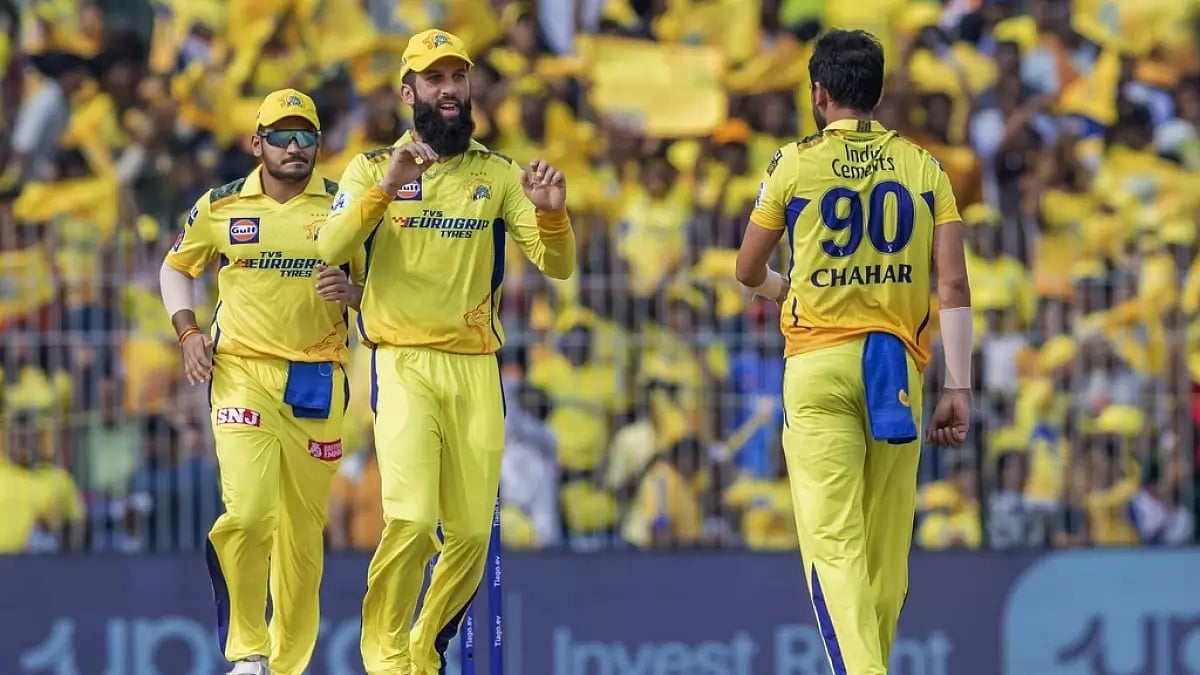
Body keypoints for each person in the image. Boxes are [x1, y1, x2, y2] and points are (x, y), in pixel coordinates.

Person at [317, 29, 575, 675]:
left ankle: (422, 651)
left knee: (468, 535)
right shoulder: (372, 167)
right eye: (434, 79)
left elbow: (558, 265)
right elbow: (329, 245)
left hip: (476, 367)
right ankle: (385, 660)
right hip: (402, 362)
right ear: (409, 93)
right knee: (410, 520)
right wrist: (388, 186)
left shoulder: (499, 173)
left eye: (458, 76)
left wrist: (552, 215)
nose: (449, 89)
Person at [734, 29, 972, 675]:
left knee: (834, 545)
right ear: (878, 92)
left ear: (819, 93)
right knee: (887, 550)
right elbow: (953, 286)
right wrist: (958, 386)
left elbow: (747, 269)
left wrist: (788, 291)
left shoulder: (794, 162)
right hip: (895, 370)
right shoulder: (924, 167)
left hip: (818, 365)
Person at [159, 88, 366, 675]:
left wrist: (354, 293)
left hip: (317, 380)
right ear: (257, 143)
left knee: (301, 540)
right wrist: (188, 331)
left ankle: (285, 666)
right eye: (280, 135)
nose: (293, 146)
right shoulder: (221, 206)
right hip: (241, 372)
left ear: (318, 144)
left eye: (305, 136)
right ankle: (248, 653)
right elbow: (176, 267)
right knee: (249, 514)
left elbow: (385, 291)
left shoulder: (345, 206)